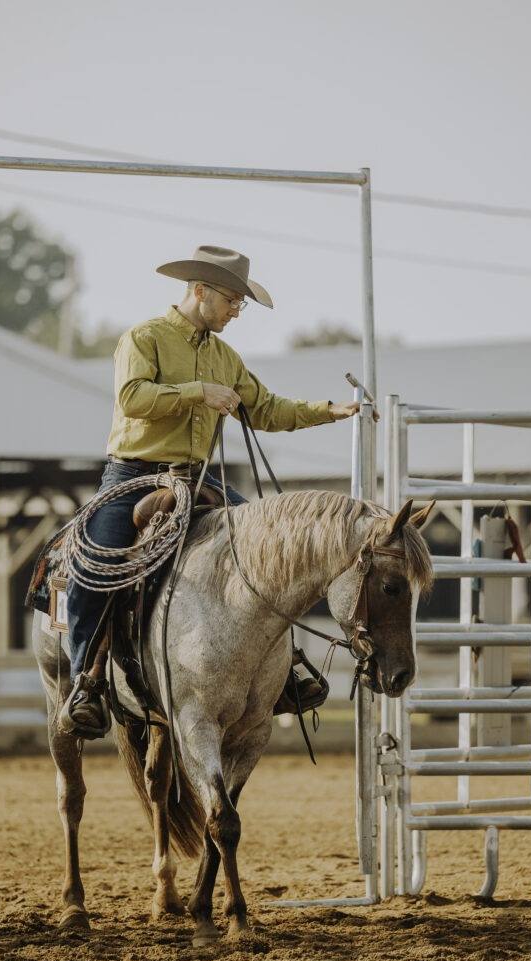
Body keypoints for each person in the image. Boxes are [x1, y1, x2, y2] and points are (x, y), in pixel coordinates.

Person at [61, 245, 362, 737]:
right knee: (95, 564)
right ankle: (84, 682)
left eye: (241, 303)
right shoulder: (144, 338)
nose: (236, 311)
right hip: (132, 476)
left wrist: (328, 411)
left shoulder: (226, 357)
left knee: (269, 552)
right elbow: (132, 398)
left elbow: (265, 409)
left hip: (196, 479)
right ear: (199, 291)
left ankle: (283, 671)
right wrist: (199, 392)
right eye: (231, 300)